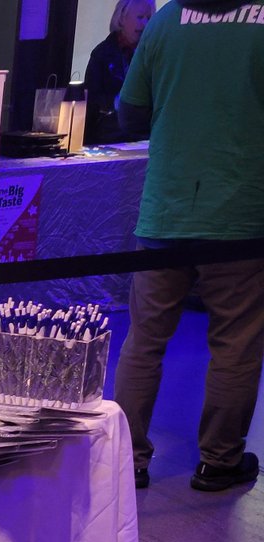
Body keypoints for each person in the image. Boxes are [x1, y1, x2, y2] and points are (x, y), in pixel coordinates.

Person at [113, 0, 264, 492]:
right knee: (236, 344)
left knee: (144, 340)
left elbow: (130, 113)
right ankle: (219, 461)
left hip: (166, 209)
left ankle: (128, 460)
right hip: (242, 212)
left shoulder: (164, 20)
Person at [84, 0, 155, 144]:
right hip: (109, 138)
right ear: (122, 17)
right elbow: (91, 101)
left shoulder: (153, 54)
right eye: (140, 17)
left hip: (144, 138)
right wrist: (115, 102)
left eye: (149, 18)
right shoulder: (102, 54)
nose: (145, 24)